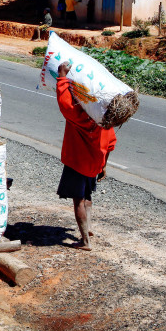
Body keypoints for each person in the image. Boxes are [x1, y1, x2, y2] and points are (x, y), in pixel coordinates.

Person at [55, 62, 117, 251]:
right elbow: (111, 142)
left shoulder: (80, 117)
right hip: (95, 163)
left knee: (78, 200)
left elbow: (65, 103)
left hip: (77, 163)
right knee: (88, 196)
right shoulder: (104, 119)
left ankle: (85, 242)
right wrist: (104, 165)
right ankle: (88, 229)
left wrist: (61, 76)